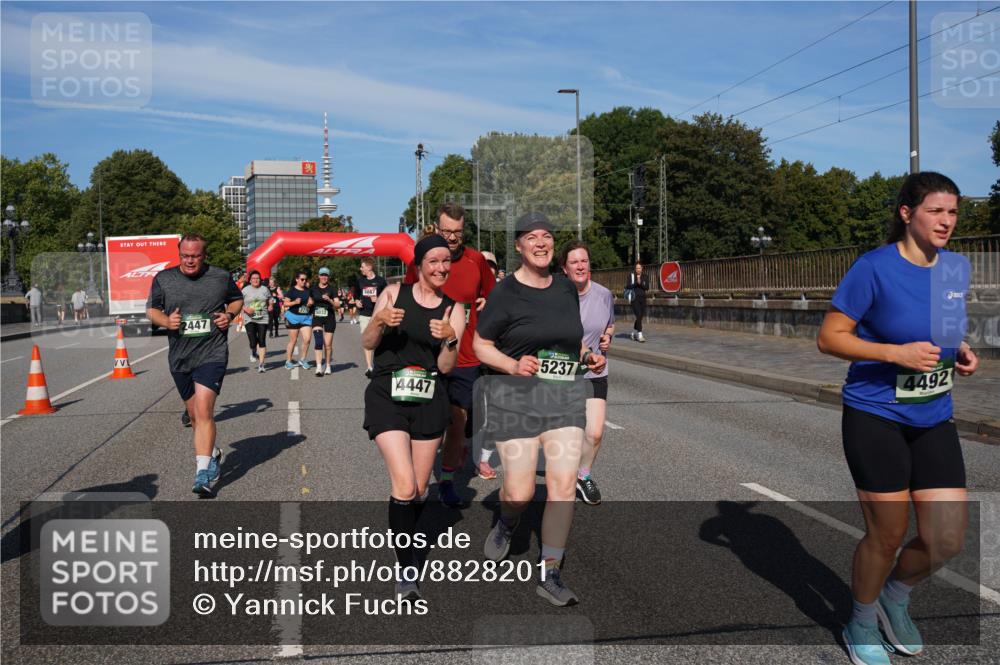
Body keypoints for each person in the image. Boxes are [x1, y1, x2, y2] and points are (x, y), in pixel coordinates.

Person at [817, 172, 978, 665]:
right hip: (875, 414)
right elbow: (830, 337)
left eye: (952, 212)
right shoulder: (873, 268)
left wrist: (961, 350)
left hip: (933, 415)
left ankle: (896, 595)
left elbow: (947, 328)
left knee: (946, 539)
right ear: (907, 214)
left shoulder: (956, 268)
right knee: (886, 534)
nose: (946, 221)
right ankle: (861, 620)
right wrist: (894, 353)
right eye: (936, 211)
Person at [473, 212, 605, 606]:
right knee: (519, 490)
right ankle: (507, 520)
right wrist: (512, 365)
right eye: (532, 237)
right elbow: (481, 345)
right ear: (519, 246)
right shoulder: (505, 293)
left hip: (562, 396)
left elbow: (567, 341)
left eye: (547, 236)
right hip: (515, 398)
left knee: (563, 486)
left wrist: (588, 355)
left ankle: (550, 573)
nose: (541, 242)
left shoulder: (566, 289)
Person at [362, 234, 465, 601]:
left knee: (420, 490)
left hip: (429, 397)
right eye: (433, 261)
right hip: (387, 393)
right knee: (404, 486)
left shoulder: (454, 309)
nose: (440, 268)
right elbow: (369, 343)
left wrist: (451, 340)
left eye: (445, 261)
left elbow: (446, 366)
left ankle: (404, 530)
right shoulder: (392, 294)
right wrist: (380, 321)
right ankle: (406, 570)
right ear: (418, 265)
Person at [404, 203, 497, 500]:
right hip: (426, 354)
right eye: (447, 231)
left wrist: (487, 303)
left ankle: (445, 479)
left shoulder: (475, 261)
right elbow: (406, 299)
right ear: (437, 227)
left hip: (465, 355)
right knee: (422, 419)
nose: (453, 237)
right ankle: (413, 473)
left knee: (458, 419)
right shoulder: (420, 260)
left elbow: (494, 295)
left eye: (457, 232)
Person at [146, 234, 242, 496]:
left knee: (203, 411)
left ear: (204, 255)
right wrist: (166, 322)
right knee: (194, 416)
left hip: (212, 353)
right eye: (185, 256)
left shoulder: (220, 277)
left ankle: (203, 473)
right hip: (180, 356)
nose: (190, 261)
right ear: (179, 255)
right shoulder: (164, 279)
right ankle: (212, 453)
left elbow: (236, 299)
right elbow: (152, 310)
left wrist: (229, 315)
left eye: (195, 256)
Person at [559, 241, 615, 505]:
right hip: (563, 373)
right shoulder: (557, 296)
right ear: (564, 268)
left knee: (593, 432)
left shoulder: (604, 294)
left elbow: (609, 325)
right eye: (574, 262)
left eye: (584, 261)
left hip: (594, 371)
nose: (580, 266)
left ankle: (583, 475)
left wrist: (607, 339)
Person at [354, 257, 388, 377]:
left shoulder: (381, 281)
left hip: (377, 315)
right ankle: (369, 366)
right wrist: (357, 302)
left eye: (362, 266)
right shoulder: (360, 281)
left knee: (378, 340)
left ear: (369, 267)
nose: (360, 269)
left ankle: (377, 363)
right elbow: (356, 295)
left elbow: (387, 298)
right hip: (364, 314)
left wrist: (378, 299)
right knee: (367, 340)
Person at [309, 266, 340, 376]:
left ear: (328, 277)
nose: (324, 277)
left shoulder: (332, 289)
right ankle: (318, 367)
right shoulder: (313, 289)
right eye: (322, 275)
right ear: (318, 276)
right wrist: (309, 304)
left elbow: (337, 305)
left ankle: (327, 365)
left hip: (329, 317)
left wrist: (330, 300)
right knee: (318, 341)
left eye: (326, 275)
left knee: (328, 344)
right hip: (317, 316)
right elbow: (309, 301)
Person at [241, 270, 270, 373]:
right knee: (253, 341)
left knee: (262, 339)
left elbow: (269, 300)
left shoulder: (265, 289)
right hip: (249, 318)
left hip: (263, 317)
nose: (255, 280)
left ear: (260, 279)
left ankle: (261, 364)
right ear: (250, 280)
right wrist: (245, 309)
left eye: (257, 278)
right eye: (253, 278)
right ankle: (253, 350)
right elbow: (239, 302)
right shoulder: (245, 290)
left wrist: (270, 305)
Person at [283, 271, 313, 370]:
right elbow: (285, 304)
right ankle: (288, 361)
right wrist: (295, 302)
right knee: (293, 340)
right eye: (302, 279)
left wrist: (310, 303)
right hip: (293, 317)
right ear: (297, 279)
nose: (304, 281)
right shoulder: (291, 291)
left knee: (307, 339)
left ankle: (303, 359)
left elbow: (311, 302)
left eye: (305, 279)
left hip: (305, 317)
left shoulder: (308, 290)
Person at [625, 262, 648, 342]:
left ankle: (633, 332)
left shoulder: (645, 276)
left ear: (642, 269)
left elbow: (646, 287)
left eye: (639, 268)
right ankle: (640, 335)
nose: (638, 269)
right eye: (637, 268)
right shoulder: (631, 276)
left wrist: (640, 283)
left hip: (643, 299)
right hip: (634, 298)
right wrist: (636, 283)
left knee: (640, 317)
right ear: (635, 269)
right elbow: (628, 286)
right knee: (638, 315)